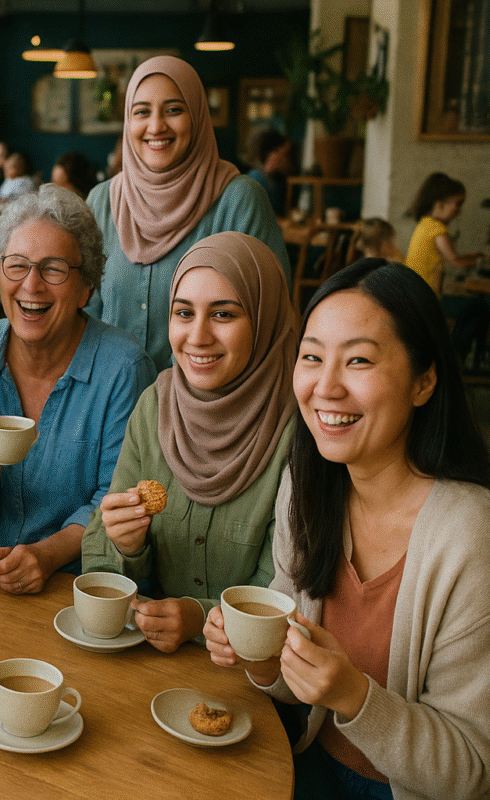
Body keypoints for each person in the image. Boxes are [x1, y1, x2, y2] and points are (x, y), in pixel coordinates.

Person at [204, 259, 490, 800]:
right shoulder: (307, 485)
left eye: (358, 360)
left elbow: (476, 768)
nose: (326, 387)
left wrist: (356, 698)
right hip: (305, 761)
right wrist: (260, 657)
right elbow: (293, 687)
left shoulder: (471, 535)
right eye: (312, 357)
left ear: (424, 381)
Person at [83, 232, 298, 652]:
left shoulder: (298, 431)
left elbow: (285, 590)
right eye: (184, 313)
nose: (197, 336)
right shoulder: (155, 406)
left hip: (256, 671)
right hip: (149, 658)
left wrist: (200, 617)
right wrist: (127, 545)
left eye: (223, 314)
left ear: (264, 319)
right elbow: (100, 563)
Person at [0, 186, 154, 593]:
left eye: (53, 269)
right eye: (17, 266)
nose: (32, 285)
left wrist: (45, 556)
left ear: (86, 287)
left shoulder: (123, 369)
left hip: (79, 582)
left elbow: (116, 499)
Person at [87, 55, 289, 373]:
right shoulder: (102, 202)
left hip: (206, 396)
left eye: (173, 110)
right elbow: (84, 312)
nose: (156, 126)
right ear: (128, 121)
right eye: (142, 112)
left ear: (196, 115)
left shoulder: (239, 200)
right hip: (112, 395)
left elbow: (270, 314)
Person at [405, 172, 490, 369]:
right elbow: (455, 259)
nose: (459, 210)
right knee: (478, 310)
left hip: (414, 291)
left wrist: (477, 255)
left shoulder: (425, 224)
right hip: (424, 295)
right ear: (440, 204)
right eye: (457, 204)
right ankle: (460, 362)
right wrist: (480, 258)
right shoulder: (438, 230)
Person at [245, 128, 293, 217]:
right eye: (285, 154)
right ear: (274, 153)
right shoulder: (255, 179)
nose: (287, 160)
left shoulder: (275, 181)